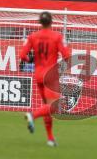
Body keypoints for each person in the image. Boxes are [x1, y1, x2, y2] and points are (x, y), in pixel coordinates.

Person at [20, 11, 70, 147]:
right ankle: (33, 115)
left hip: (38, 75)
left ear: (40, 22)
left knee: (47, 107)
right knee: (53, 106)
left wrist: (30, 59)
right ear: (51, 22)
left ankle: (50, 138)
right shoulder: (57, 36)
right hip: (50, 76)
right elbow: (67, 55)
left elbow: (22, 55)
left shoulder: (33, 36)